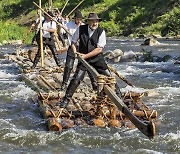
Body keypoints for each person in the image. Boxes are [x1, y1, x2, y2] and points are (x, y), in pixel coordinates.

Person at [58, 13, 121, 108]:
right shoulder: (81, 29)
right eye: (92, 21)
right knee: (76, 79)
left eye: (96, 21)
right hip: (83, 60)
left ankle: (119, 97)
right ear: (88, 22)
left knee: (109, 76)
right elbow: (73, 42)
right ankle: (66, 100)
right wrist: (75, 52)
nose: (95, 23)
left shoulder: (101, 32)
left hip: (97, 59)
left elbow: (99, 49)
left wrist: (85, 56)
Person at [60, 10, 97, 91]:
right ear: (75, 19)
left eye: (80, 19)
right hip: (72, 46)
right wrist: (60, 26)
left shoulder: (84, 26)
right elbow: (61, 32)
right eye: (77, 19)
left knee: (87, 65)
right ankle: (64, 84)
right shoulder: (69, 25)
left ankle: (94, 84)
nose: (79, 20)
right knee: (68, 66)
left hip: (82, 48)